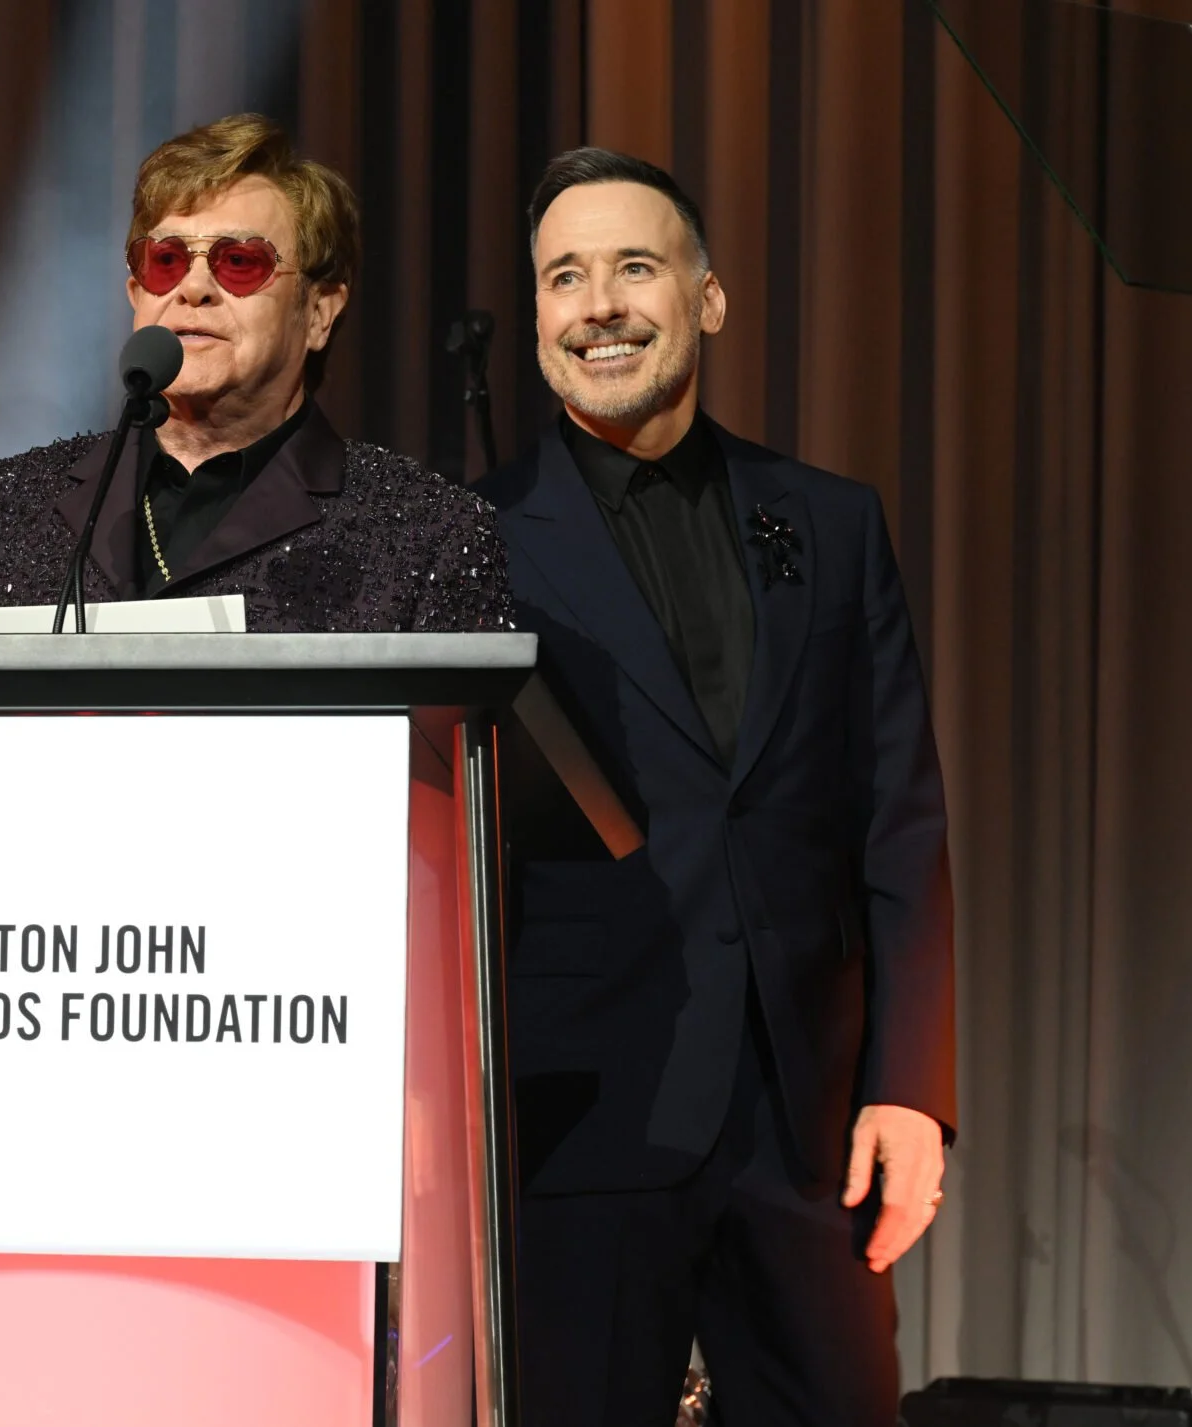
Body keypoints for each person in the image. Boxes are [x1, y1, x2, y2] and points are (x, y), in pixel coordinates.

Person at [478, 148, 956, 1425]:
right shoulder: (470, 539)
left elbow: (898, 816)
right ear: (534, 315)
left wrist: (911, 1086)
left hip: (803, 1124)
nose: (598, 305)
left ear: (708, 297)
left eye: (633, 265)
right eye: (562, 277)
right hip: (576, 1119)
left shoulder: (830, 522)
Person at [0, 113, 510, 633]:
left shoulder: (426, 534)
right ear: (136, 295)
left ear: (319, 312)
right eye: (167, 261)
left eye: (239, 262)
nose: (194, 288)